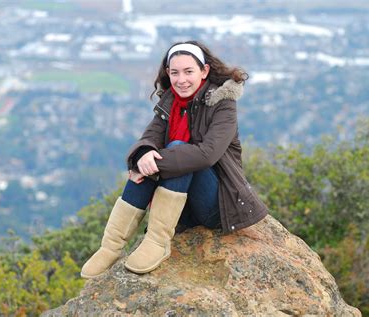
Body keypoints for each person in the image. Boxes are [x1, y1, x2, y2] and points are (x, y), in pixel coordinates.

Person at [81, 40, 267, 277]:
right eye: (175, 72)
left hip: (216, 205)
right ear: (168, 74)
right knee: (149, 155)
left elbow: (206, 154)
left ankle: (158, 242)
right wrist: (141, 157)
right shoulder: (171, 103)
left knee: (174, 152)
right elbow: (148, 137)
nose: (182, 80)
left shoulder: (223, 105)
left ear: (204, 71)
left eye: (189, 71)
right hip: (182, 203)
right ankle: (111, 247)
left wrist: (151, 165)